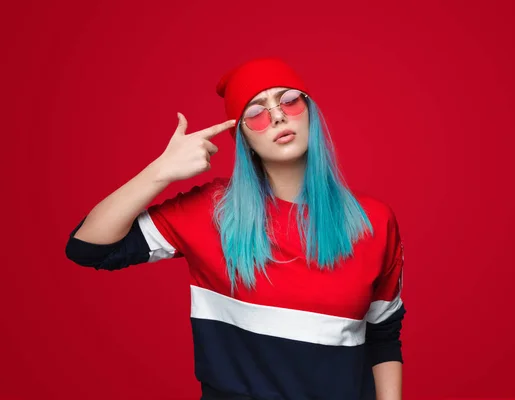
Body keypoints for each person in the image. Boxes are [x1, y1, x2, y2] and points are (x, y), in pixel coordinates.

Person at [65, 57, 406, 400]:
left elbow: (382, 337)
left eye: (289, 100)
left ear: (310, 113)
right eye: (256, 112)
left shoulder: (373, 221)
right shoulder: (210, 211)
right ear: (241, 136)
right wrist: (160, 172)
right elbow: (90, 247)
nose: (277, 116)